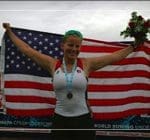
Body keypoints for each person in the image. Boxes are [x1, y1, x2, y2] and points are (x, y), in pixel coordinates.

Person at [3, 23, 136, 140]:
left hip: (83, 120)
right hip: (60, 120)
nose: (74, 49)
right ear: (63, 45)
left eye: (77, 46)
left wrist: (134, 46)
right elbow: (28, 50)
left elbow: (114, 57)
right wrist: (9, 32)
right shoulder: (52, 64)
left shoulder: (87, 64)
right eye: (70, 45)